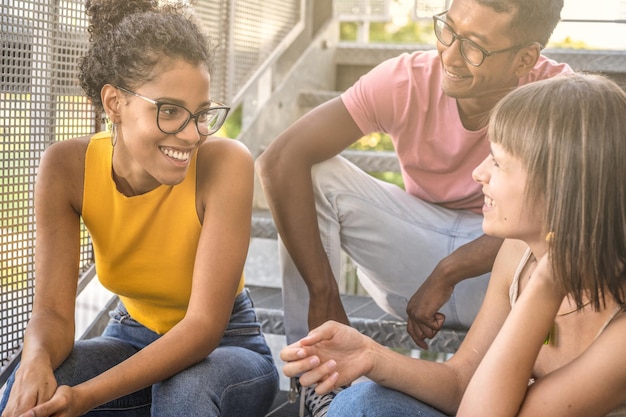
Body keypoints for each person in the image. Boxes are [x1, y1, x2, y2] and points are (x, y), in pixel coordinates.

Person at [257, 0, 570, 413]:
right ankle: (318, 375)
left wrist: (451, 270)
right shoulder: (406, 79)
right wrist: (324, 292)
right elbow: (279, 160)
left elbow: (572, 222)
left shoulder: (561, 100)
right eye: (448, 30)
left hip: (510, 274)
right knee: (315, 174)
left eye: (474, 46)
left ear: (525, 57)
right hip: (412, 257)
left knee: (565, 214)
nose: (450, 55)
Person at [280, 72, 626, 417]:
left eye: (498, 162)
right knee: (362, 402)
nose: (479, 173)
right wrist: (371, 355)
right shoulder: (517, 253)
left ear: (560, 188)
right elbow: (463, 382)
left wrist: (545, 286)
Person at [0, 1, 279, 416]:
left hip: (228, 346)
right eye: (169, 111)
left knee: (184, 393)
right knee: (28, 388)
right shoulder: (65, 168)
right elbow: (54, 313)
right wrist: (36, 358)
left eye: (201, 114)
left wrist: (85, 398)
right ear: (114, 102)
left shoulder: (227, 164)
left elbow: (202, 329)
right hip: (131, 335)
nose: (191, 134)